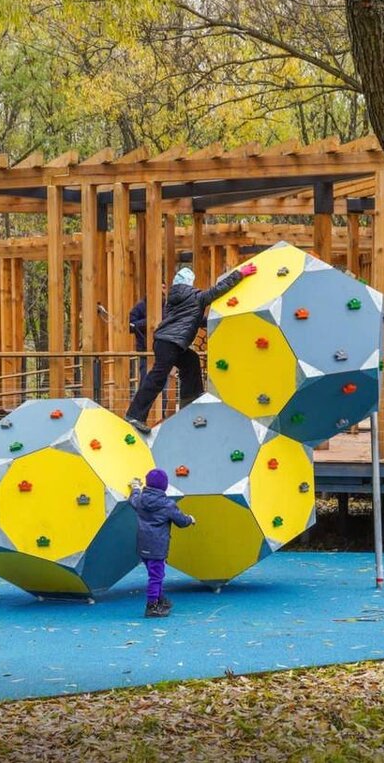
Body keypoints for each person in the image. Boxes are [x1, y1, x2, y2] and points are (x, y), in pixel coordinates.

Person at [124, 263, 257, 433]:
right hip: (170, 342)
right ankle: (135, 415)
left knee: (191, 361)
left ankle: (190, 401)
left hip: (168, 341)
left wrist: (211, 321)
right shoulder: (195, 297)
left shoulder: (175, 298)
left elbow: (189, 318)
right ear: (190, 283)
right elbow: (218, 290)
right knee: (158, 377)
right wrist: (240, 274)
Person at [130, 468, 195, 618]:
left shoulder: (140, 500)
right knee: (156, 577)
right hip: (157, 547)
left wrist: (135, 488)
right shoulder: (167, 505)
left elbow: (132, 500)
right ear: (164, 486)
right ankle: (152, 606)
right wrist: (190, 519)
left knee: (154, 574)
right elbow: (181, 521)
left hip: (143, 546)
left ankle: (160, 599)